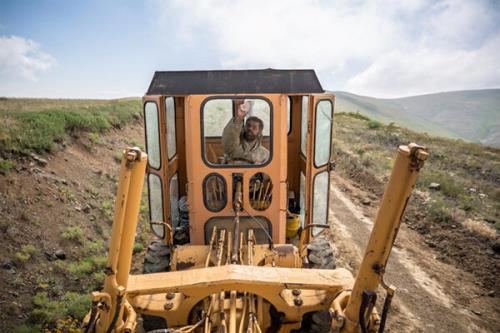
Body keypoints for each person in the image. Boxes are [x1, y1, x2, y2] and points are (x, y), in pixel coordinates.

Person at [221, 100, 269, 164]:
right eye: (248, 125)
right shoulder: (234, 144)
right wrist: (239, 117)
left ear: (259, 132)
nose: (250, 128)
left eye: (254, 127)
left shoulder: (265, 154)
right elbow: (229, 141)